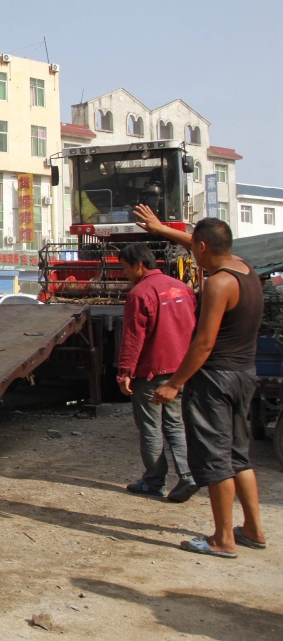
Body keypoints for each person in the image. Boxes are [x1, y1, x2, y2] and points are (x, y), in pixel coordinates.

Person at [134, 206, 266, 558]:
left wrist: (175, 383)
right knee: (240, 457)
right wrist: (162, 229)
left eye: (195, 248)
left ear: (204, 248)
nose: (192, 251)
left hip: (215, 381)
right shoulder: (245, 271)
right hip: (244, 375)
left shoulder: (219, 284)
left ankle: (223, 539)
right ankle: (253, 529)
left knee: (215, 460)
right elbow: (199, 240)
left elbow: (204, 343)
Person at [115, 242, 197, 502]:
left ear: (139, 265)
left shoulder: (139, 294)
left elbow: (132, 338)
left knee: (150, 427)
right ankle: (187, 475)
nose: (125, 274)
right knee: (175, 424)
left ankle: (153, 481)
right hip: (182, 370)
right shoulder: (183, 288)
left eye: (125, 268)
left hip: (152, 373)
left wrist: (124, 372)